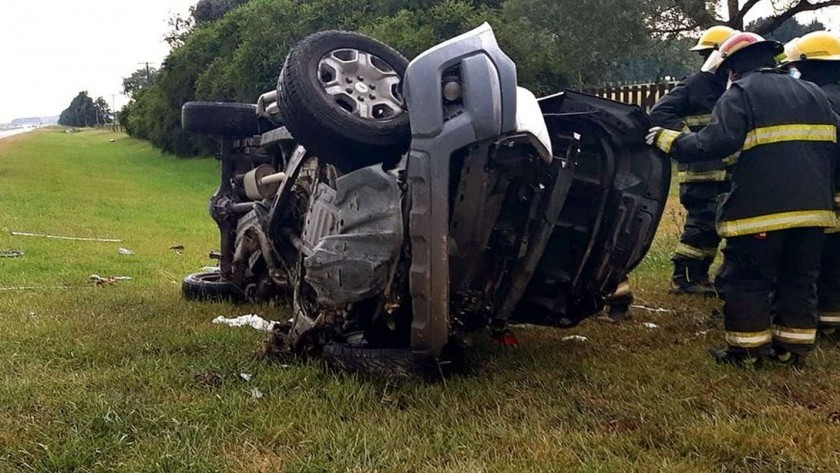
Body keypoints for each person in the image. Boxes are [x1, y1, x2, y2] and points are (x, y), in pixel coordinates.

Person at [647, 32, 839, 367]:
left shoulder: (741, 93)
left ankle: (747, 353)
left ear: (732, 67)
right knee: (799, 279)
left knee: (748, 279)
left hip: (759, 213)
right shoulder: (813, 93)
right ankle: (792, 350)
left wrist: (668, 140)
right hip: (815, 213)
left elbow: (713, 144)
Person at [649, 25, 736, 295]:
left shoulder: (733, 85)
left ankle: (699, 277)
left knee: (714, 227)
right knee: (701, 225)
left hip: (727, 172)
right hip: (701, 172)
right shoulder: (696, 84)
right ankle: (683, 278)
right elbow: (659, 113)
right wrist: (690, 140)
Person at [782, 31, 840, 334]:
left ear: (813, 66)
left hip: (829, 195)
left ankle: (824, 319)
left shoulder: (818, 100)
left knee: (825, 260)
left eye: (800, 69)